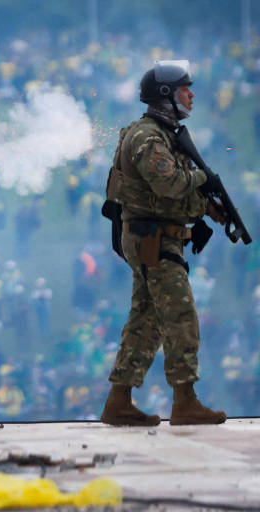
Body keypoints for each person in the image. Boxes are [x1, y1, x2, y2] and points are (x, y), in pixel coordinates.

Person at [100, 61, 227, 426]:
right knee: (180, 316)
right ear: (167, 95)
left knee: (147, 319)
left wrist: (203, 208)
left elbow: (165, 192)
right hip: (151, 238)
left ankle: (119, 400)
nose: (191, 95)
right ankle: (185, 400)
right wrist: (203, 178)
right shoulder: (149, 137)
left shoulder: (163, 134)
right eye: (185, 88)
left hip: (153, 237)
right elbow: (168, 184)